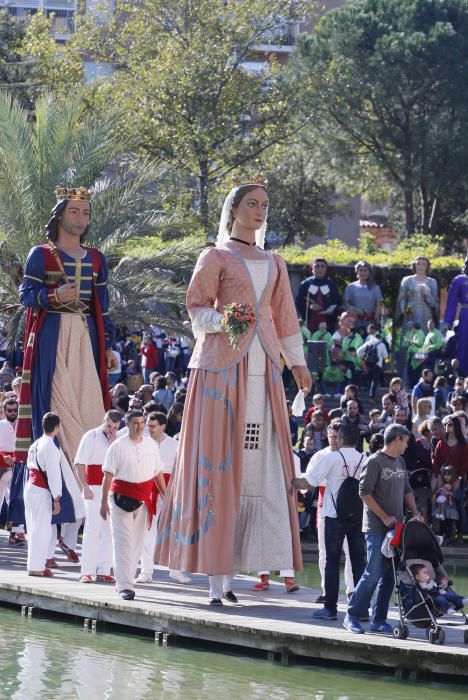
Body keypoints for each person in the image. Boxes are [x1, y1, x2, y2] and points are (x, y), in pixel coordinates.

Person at [156, 176, 311, 605]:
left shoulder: (275, 262)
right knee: (218, 466)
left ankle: (238, 573)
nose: (260, 211)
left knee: (257, 468)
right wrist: (227, 320)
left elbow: (286, 317)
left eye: (264, 204)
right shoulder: (215, 255)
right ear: (235, 209)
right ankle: (214, 583)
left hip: (264, 367)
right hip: (221, 368)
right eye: (252, 203)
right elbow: (195, 307)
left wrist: (298, 363)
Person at [11, 186, 116, 527]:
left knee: (90, 410)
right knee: (56, 407)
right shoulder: (40, 254)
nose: (81, 218)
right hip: (52, 339)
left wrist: (110, 345)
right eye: (74, 211)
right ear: (59, 216)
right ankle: (62, 503)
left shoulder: (97, 258)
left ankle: (92, 494)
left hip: (86, 339)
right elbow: (27, 295)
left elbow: (103, 307)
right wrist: (53, 295)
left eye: (85, 212)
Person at [344, 424, 421, 635]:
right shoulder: (374, 461)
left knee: (389, 576)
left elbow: (407, 490)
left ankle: (378, 620)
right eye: (405, 441)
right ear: (397, 440)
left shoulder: (400, 461)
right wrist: (384, 516)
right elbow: (364, 493)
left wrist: (415, 512)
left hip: (396, 528)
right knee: (374, 571)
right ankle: (352, 615)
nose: (407, 446)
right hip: (376, 527)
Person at [294, 423, 366, 620]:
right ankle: (361, 610)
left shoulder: (333, 457)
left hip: (334, 517)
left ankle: (330, 609)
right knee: (359, 562)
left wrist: (290, 480)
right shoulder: (364, 458)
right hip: (358, 517)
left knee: (331, 562)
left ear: (341, 438)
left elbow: (307, 483)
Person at [100, 410, 166, 600]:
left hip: (143, 500)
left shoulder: (152, 445)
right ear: (127, 425)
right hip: (120, 499)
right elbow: (108, 475)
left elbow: (158, 472)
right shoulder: (117, 446)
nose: (139, 426)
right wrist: (103, 501)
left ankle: (126, 578)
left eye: (142, 422)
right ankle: (124, 585)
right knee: (123, 542)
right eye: (135, 423)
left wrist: (166, 496)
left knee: (137, 543)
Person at [136, 411, 190, 585]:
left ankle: (176, 570)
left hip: (169, 489)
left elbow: (181, 470)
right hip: (147, 488)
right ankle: (146, 571)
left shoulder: (175, 445)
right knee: (147, 530)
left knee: (175, 529)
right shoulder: (142, 442)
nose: (149, 429)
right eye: (148, 426)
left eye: (152, 426)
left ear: (163, 426)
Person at [74, 410, 122, 583]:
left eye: (115, 427)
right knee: (92, 529)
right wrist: (85, 487)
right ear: (104, 420)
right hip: (93, 487)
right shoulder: (91, 436)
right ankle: (87, 570)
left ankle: (104, 568)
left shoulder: (118, 440)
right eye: (109, 425)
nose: (111, 429)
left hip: (112, 488)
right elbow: (79, 463)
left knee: (109, 530)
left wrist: (114, 440)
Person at [24, 413, 62, 577]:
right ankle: (37, 566)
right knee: (41, 529)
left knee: (33, 527)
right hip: (41, 490)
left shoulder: (35, 443)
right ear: (57, 427)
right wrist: (56, 498)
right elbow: (54, 475)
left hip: (30, 488)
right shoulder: (51, 448)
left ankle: (34, 564)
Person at [0, 397, 24, 545]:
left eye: (15, 410)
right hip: (1, 467)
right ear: (4, 410)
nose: (13, 413)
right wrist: (4, 458)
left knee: (17, 500)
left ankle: (15, 534)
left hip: (18, 468)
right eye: (9, 410)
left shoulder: (23, 426)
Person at [295, 258, 340, 333]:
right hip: (310, 319)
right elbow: (299, 301)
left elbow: (336, 302)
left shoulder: (331, 285)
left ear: (326, 269)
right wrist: (310, 306)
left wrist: (330, 309)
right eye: (317, 266)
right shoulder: (305, 284)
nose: (320, 269)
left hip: (326, 320)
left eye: (323, 266)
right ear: (312, 268)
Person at [397, 256, 439, 333]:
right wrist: (405, 311)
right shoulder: (406, 280)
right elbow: (401, 299)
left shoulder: (432, 282)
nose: (421, 266)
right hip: (410, 314)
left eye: (424, 264)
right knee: (410, 339)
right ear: (414, 265)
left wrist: (427, 293)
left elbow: (435, 304)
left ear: (427, 266)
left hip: (426, 316)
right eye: (418, 264)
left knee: (425, 340)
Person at [343, 261, 383, 334]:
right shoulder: (351, 287)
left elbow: (378, 304)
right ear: (357, 271)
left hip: (370, 321)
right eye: (361, 270)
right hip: (354, 321)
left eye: (365, 270)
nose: (363, 273)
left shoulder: (375, 288)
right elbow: (345, 303)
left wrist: (377, 316)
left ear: (369, 272)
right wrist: (355, 310)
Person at [445, 256, 468, 374]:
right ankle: (463, 374)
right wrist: (448, 321)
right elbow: (452, 302)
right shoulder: (459, 280)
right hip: (466, 315)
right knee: (464, 344)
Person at [357, 328, 388, 403]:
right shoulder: (382, 344)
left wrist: (364, 357)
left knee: (369, 379)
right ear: (380, 337)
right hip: (377, 365)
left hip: (368, 364)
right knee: (375, 381)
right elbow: (385, 356)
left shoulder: (368, 343)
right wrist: (386, 362)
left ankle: (366, 395)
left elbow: (358, 352)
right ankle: (371, 397)